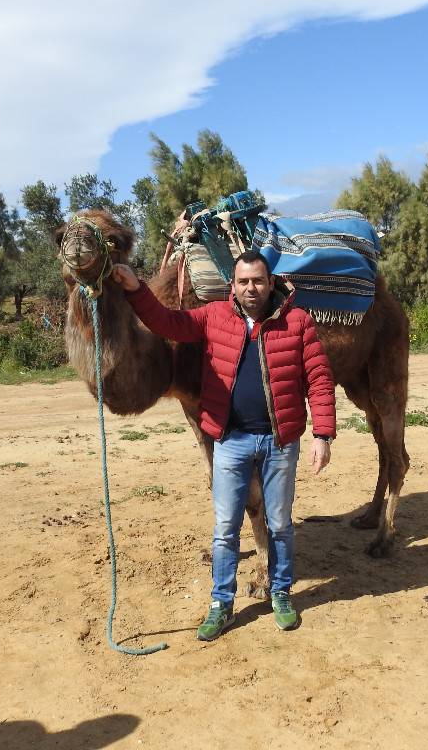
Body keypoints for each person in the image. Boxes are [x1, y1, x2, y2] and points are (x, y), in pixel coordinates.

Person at [110, 250, 336, 640]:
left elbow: (318, 378)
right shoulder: (214, 316)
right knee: (225, 528)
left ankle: (281, 593)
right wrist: (135, 290)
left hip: (280, 441)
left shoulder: (297, 322)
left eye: (258, 281)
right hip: (230, 441)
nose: (251, 288)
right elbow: (167, 322)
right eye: (243, 281)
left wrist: (322, 435)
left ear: (270, 283)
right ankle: (222, 603)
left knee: (281, 524)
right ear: (233, 285)